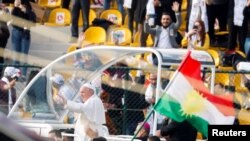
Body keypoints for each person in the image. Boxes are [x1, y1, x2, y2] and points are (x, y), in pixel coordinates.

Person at [11, 0, 36, 77]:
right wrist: (15, 7)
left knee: (24, 55)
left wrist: (26, 11)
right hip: (16, 32)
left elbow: (33, 21)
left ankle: (23, 75)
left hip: (25, 34)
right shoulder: (16, 9)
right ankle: (14, 75)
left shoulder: (30, 9)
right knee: (16, 55)